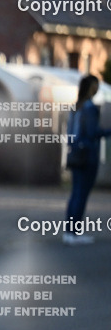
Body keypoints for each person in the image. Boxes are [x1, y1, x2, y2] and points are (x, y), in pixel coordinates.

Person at [64, 74, 110, 245]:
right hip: (88, 154)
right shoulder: (90, 108)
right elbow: (92, 133)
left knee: (75, 193)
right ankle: (74, 233)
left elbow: (70, 133)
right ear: (92, 87)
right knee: (81, 195)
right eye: (96, 85)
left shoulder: (76, 107)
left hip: (75, 153)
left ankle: (69, 232)